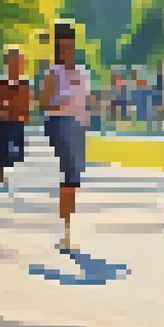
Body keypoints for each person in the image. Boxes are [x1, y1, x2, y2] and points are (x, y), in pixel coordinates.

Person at [39, 22, 93, 253]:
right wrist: (58, 104)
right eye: (61, 47)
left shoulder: (82, 72)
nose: (65, 51)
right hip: (59, 123)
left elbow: (85, 100)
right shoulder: (53, 72)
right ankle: (66, 231)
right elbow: (42, 103)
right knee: (70, 172)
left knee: (75, 177)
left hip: (78, 126)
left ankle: (66, 224)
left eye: (68, 46)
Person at [0, 48, 32, 191]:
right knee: (2, 149)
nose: (14, 66)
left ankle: (10, 171)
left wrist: (24, 115)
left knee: (16, 153)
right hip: (2, 121)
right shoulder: (0, 84)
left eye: (17, 63)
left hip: (17, 121)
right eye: (12, 62)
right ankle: (1, 173)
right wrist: (0, 109)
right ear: (6, 64)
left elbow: (27, 106)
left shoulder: (24, 85)